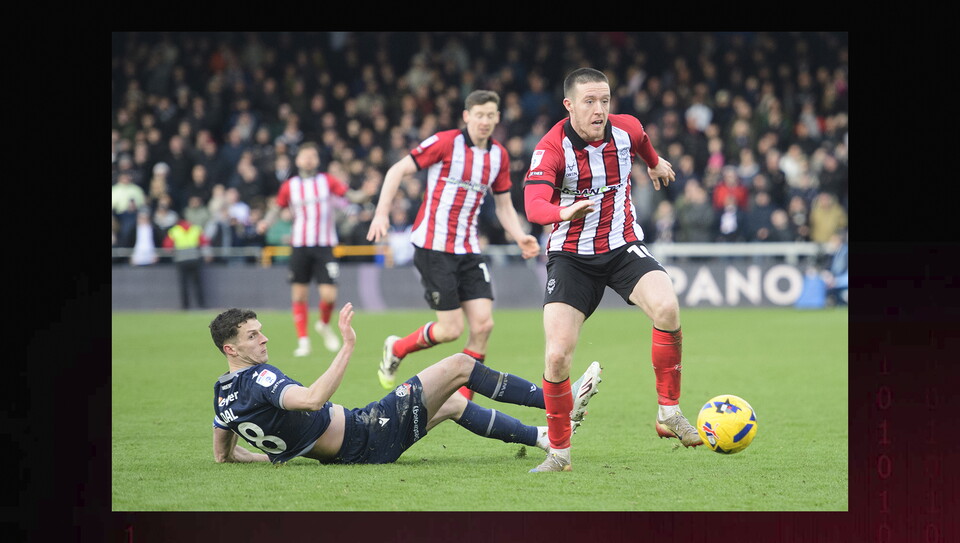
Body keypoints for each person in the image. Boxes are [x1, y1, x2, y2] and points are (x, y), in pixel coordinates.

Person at [522, 68, 702, 472]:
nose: (599, 109)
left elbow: (642, 141)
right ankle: (560, 455)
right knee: (556, 357)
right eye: (589, 101)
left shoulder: (626, 129)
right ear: (569, 105)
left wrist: (654, 164)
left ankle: (668, 413)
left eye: (604, 100)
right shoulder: (551, 149)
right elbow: (534, 206)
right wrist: (564, 210)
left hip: (622, 246)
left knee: (668, 308)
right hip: (571, 257)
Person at [209, 303, 602, 465]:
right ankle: (562, 403)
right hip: (367, 432)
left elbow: (223, 455)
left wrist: (274, 456)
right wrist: (347, 345)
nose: (263, 340)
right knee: (461, 365)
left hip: (359, 448)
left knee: (449, 403)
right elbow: (312, 400)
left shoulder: (222, 396)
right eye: (252, 337)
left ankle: (542, 438)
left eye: (261, 332)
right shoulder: (261, 377)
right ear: (232, 348)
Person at [366, 89, 541, 399]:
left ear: (497, 118)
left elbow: (503, 206)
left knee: (484, 325)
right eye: (479, 115)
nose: (485, 121)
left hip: (468, 249)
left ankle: (463, 403)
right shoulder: (446, 143)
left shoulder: (498, 155)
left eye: (490, 115)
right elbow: (397, 170)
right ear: (467, 116)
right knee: (450, 330)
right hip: (434, 247)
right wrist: (381, 214)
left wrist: (519, 236)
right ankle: (397, 347)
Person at [257, 142, 366, 357]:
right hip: (300, 246)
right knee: (299, 295)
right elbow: (277, 208)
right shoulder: (290, 185)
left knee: (329, 295)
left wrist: (365, 193)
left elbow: (351, 196)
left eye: (312, 155)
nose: (309, 159)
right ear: (298, 161)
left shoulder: (327, 181)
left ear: (317, 160)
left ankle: (323, 324)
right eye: (305, 156)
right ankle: (303, 340)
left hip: (325, 245)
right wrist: (265, 223)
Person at [162, 217, 213, 310]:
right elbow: (205, 242)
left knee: (183, 285)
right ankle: (201, 304)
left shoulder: (174, 231)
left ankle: (185, 306)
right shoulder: (196, 229)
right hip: (194, 259)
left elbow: (167, 246)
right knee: (198, 284)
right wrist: (207, 255)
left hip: (181, 260)